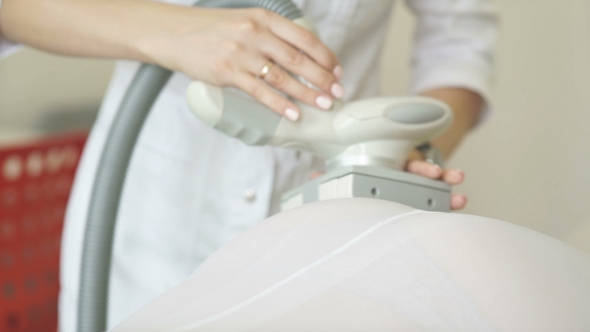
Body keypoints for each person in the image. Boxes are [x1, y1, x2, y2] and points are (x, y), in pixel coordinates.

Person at [0, 0, 498, 330]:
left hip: (334, 225)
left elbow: (459, 45)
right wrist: (171, 30)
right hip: (150, 227)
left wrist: (404, 152)